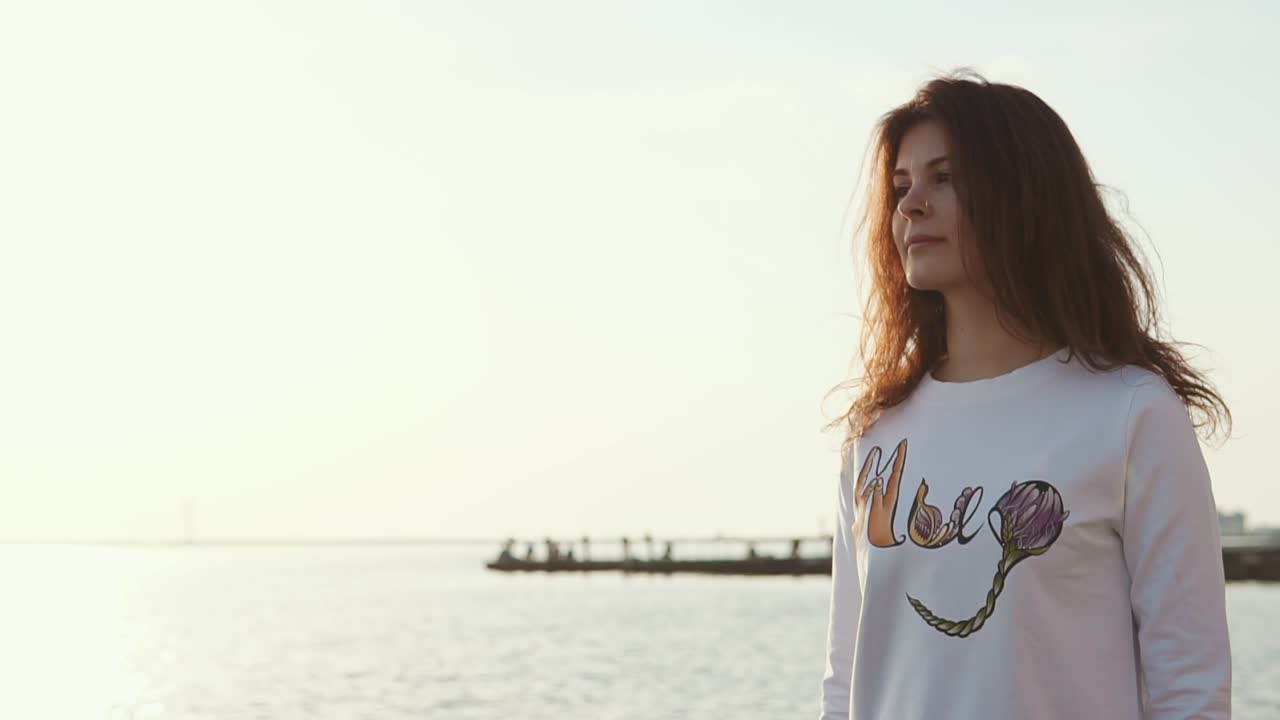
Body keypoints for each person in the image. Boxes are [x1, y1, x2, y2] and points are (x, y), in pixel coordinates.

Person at [818, 69, 1232, 720]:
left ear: (1026, 199)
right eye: (901, 186)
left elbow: (1191, 691)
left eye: (944, 178)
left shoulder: (1129, 415)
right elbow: (846, 684)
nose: (910, 205)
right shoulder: (876, 433)